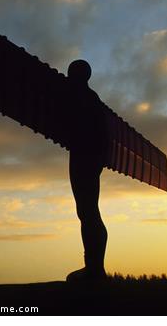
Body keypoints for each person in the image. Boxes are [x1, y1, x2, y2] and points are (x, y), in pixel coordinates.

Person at [65, 59, 109, 283]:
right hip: (89, 158)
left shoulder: (83, 97)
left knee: (88, 212)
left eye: (73, 72)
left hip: (85, 158)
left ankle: (95, 269)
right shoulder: (92, 99)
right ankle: (93, 267)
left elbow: (98, 133)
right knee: (87, 212)